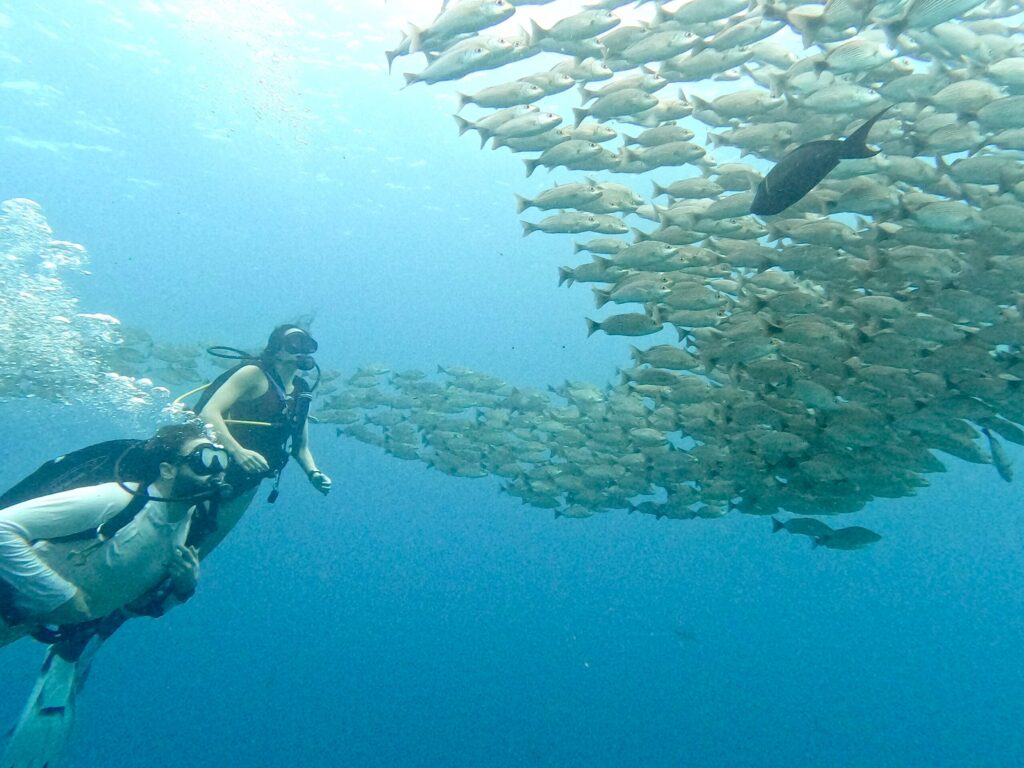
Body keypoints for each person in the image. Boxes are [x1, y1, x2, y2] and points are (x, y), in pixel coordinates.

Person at [0, 423, 228, 649]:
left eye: (222, 460)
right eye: (203, 460)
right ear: (168, 470)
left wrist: (182, 589)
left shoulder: (186, 527)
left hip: (18, 623)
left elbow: (129, 603)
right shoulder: (118, 500)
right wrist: (62, 597)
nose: (216, 472)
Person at [191, 324, 332, 552]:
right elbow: (209, 413)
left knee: (202, 546)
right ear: (276, 349)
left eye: (307, 344)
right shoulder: (253, 374)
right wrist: (238, 451)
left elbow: (300, 446)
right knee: (184, 529)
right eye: (294, 342)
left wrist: (313, 473)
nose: (301, 350)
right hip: (213, 468)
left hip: (249, 480)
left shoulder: (301, 390)